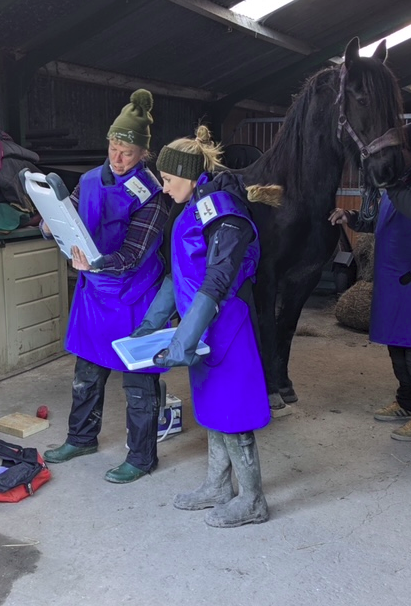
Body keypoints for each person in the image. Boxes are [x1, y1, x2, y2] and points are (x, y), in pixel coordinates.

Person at [131, 124, 273, 527]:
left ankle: (253, 500)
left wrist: (186, 336)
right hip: (204, 331)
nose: (163, 187)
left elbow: (218, 279)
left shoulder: (224, 210)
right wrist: (152, 322)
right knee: (212, 410)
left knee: (235, 417)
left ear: (190, 176)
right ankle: (217, 485)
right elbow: (180, 273)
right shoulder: (193, 206)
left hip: (228, 329)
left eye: (169, 179)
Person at [43, 89, 170, 483]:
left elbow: (133, 253)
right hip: (94, 295)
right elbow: (70, 218)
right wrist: (50, 225)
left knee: (138, 384)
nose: (117, 159)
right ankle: (81, 438)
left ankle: (142, 457)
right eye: (114, 147)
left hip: (133, 295)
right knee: (86, 373)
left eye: (127, 153)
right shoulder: (88, 180)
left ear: (143, 155)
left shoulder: (153, 194)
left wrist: (97, 262)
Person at [329, 115, 411, 441]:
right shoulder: (405, 179)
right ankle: (407, 400)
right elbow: (382, 221)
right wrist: (353, 218)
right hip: (394, 278)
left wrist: (389, 181)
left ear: (409, 151)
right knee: (397, 345)